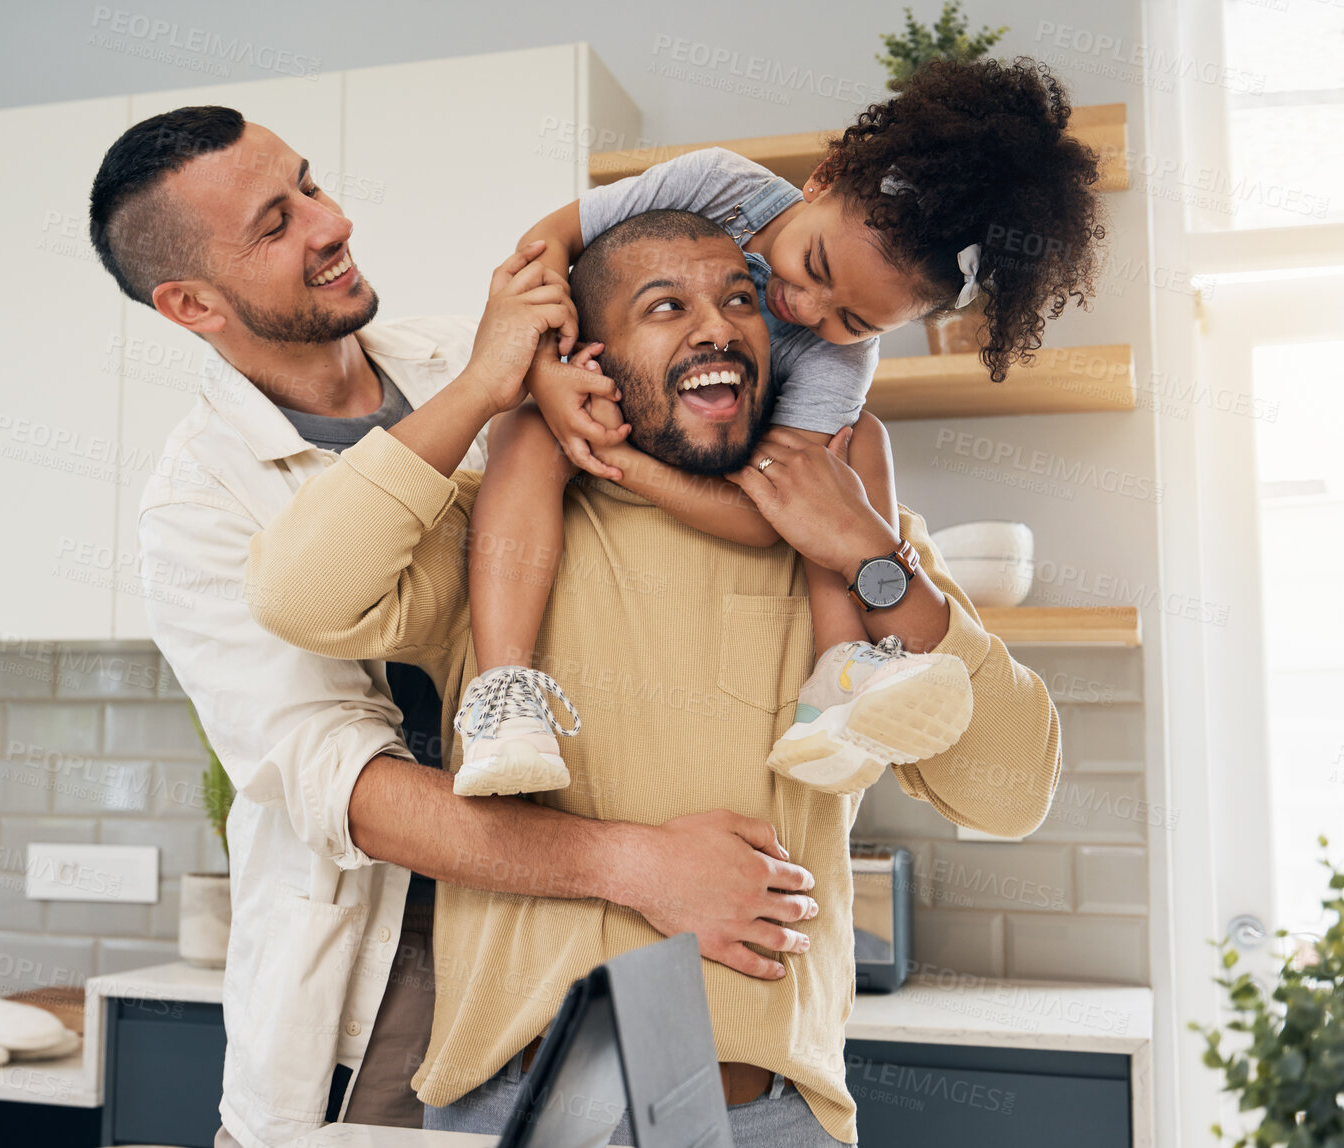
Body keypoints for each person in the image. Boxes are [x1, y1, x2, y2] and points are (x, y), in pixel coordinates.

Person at [88, 106, 826, 1148]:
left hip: (572, 944)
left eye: (310, 184)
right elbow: (356, 791)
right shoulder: (198, 505)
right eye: (273, 223)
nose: (330, 222)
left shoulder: (479, 360)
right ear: (191, 301)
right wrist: (642, 863)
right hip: (385, 982)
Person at [247, 210, 1062, 1148]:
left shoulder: (850, 537)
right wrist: (485, 386)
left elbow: (1011, 794)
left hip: (763, 1132)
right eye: (665, 306)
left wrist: (875, 557)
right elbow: (298, 595)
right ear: (590, 355)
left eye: (741, 300)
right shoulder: (502, 537)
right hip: (501, 1120)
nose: (718, 327)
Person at [452, 57, 1103, 800]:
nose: (807, 309)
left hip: (720, 468)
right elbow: (542, 250)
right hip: (588, 397)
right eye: (812, 264)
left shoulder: (839, 364)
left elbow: (780, 515)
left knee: (854, 447)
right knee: (527, 433)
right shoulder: (717, 181)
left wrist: (620, 462)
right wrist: (546, 379)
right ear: (821, 180)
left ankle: (842, 667)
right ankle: (504, 697)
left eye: (854, 319)